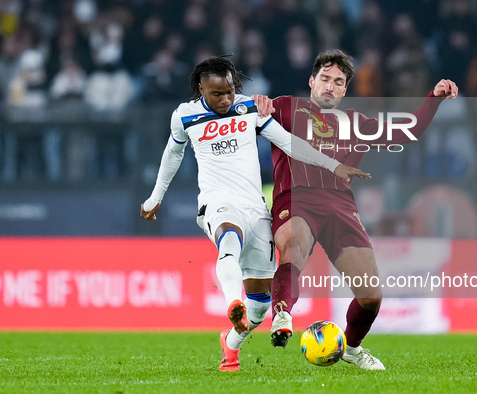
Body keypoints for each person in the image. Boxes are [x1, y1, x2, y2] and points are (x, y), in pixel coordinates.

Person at [139, 56, 368, 372]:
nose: (226, 99)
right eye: (218, 94)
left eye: (230, 92)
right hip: (217, 202)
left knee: (259, 308)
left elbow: (289, 143)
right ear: (201, 89)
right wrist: (155, 197)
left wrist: (332, 165)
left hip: (256, 207)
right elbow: (172, 155)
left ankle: (230, 344)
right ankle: (233, 301)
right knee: (229, 240)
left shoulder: (249, 108)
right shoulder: (185, 116)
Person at [267, 49, 458, 370]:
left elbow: (407, 131)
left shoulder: (355, 123)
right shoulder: (285, 107)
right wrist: (255, 103)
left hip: (339, 204)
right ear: (311, 81)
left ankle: (352, 348)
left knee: (371, 296)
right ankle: (282, 315)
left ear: (344, 90)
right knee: (291, 250)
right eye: (324, 79)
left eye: (338, 82)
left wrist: (434, 98)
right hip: (296, 197)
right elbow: (236, 112)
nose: (329, 86)